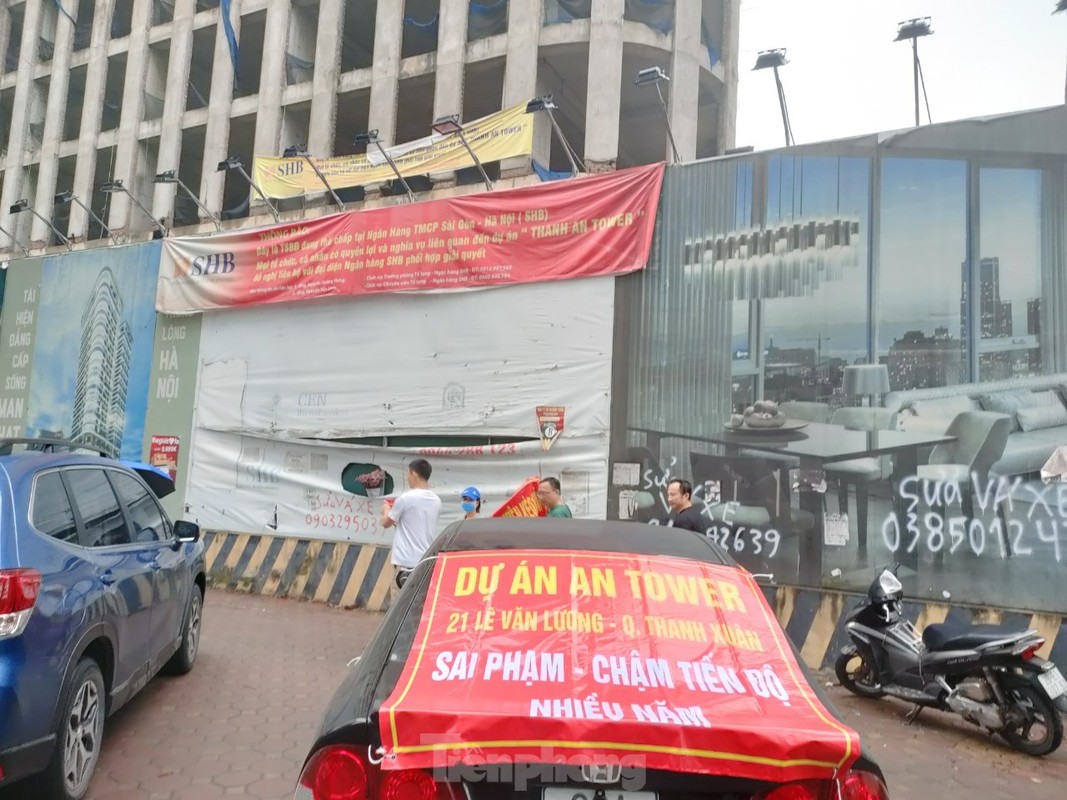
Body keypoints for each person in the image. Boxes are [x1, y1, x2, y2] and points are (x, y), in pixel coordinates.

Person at [380, 458, 441, 591]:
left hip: (405, 564)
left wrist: (386, 510)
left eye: (408, 474)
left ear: (413, 474)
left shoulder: (405, 498)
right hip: (425, 562)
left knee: (400, 607)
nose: (407, 477)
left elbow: (385, 523)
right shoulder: (436, 500)